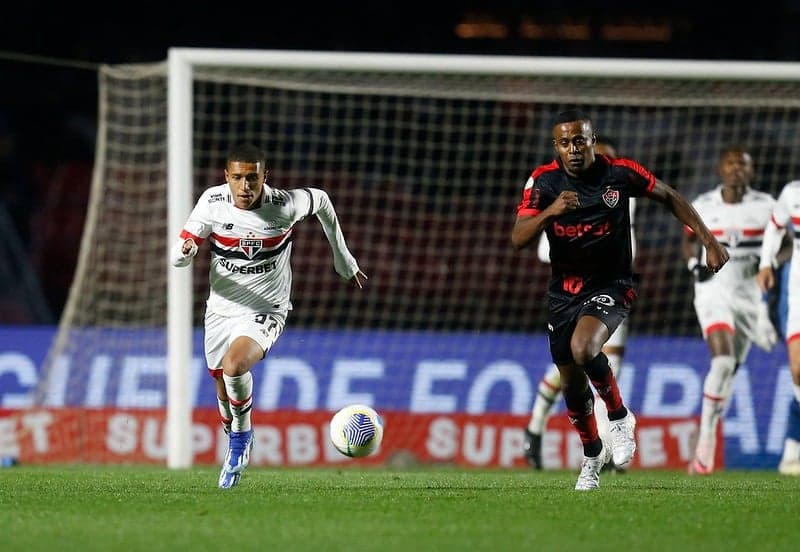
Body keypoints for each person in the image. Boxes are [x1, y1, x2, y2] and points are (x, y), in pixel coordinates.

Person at [511, 109, 728, 490]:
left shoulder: (620, 174)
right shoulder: (544, 183)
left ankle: (619, 416)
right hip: (564, 292)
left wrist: (708, 240)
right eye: (565, 142)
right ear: (556, 147)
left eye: (580, 140)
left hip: (612, 284)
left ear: (592, 141)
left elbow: (670, 196)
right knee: (572, 387)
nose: (574, 149)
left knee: (584, 348)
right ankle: (592, 455)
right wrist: (551, 212)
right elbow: (518, 237)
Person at [170, 143, 367, 488]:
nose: (245, 186)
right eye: (238, 178)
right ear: (226, 177)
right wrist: (184, 253)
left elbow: (320, 200)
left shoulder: (284, 206)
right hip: (220, 309)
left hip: (266, 309)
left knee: (234, 366)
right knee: (220, 379)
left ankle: (241, 439)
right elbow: (180, 251)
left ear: (265, 177)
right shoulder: (212, 202)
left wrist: (343, 259)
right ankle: (234, 430)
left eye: (252, 178)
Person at [523, 136, 633, 473]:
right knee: (571, 368)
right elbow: (539, 246)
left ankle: (615, 441)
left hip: (610, 288)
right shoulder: (560, 195)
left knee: (596, 357)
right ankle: (538, 427)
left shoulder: (619, 192)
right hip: (569, 292)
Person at [683, 147, 781, 476]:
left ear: (751, 171)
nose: (736, 168)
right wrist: (694, 263)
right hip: (713, 291)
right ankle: (706, 441)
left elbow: (788, 244)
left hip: (750, 297)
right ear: (719, 168)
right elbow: (689, 239)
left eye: (743, 164)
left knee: (731, 370)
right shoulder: (705, 205)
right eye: (730, 163)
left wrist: (769, 265)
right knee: (722, 361)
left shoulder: (766, 206)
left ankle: (708, 429)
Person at [757, 178, 800, 476]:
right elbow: (775, 225)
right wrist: (765, 263)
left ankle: (791, 447)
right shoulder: (792, 192)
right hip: (797, 291)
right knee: (798, 370)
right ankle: (791, 450)